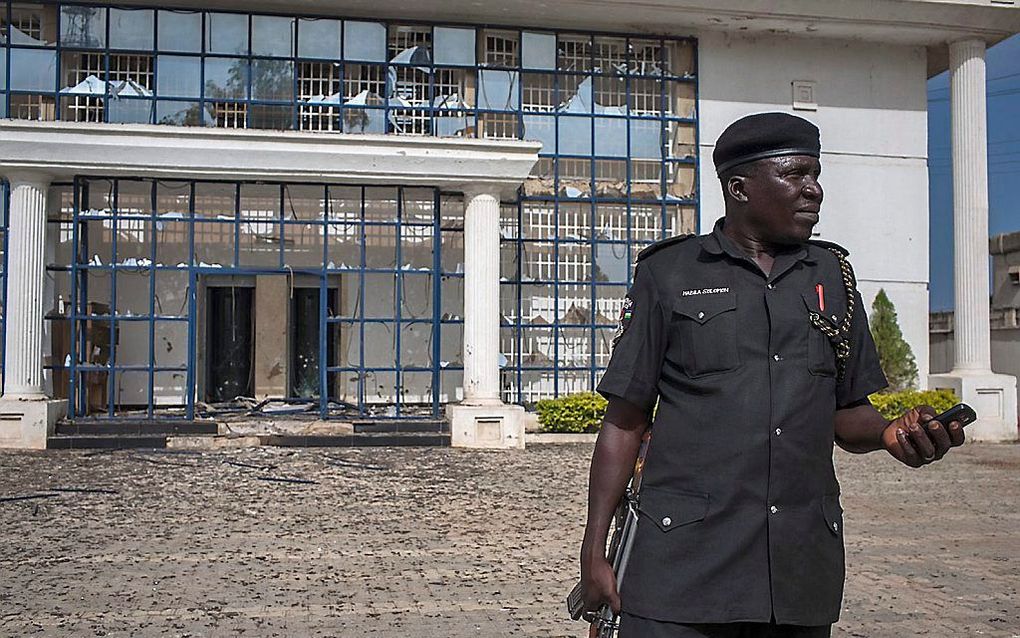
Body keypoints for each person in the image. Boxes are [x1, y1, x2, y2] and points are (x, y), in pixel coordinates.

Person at [578, 112, 967, 638]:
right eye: (796, 175)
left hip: (797, 571)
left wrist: (891, 433)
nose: (815, 191)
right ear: (739, 187)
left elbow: (848, 411)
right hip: (679, 566)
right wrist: (593, 548)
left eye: (817, 174)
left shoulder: (831, 277)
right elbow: (624, 419)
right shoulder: (668, 274)